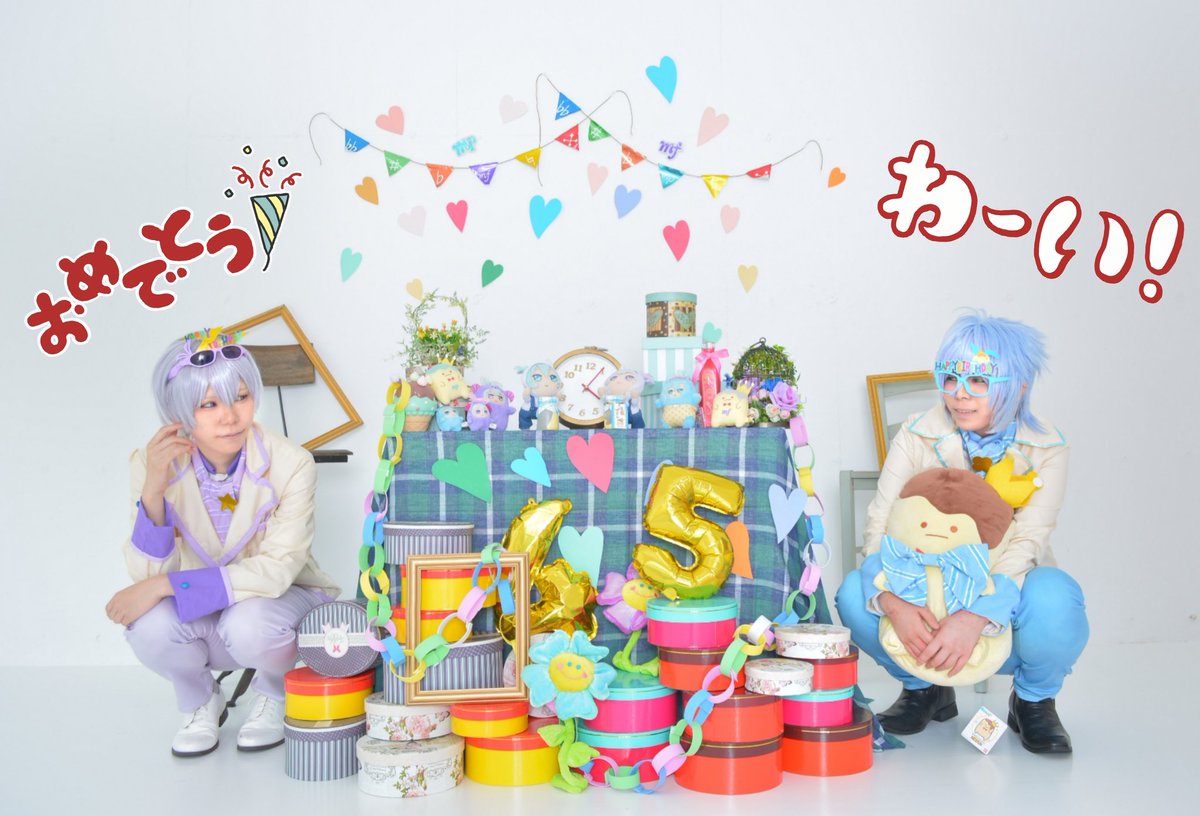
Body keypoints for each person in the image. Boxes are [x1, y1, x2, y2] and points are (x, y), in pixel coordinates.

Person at [835, 312, 1088, 754]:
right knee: (854, 594)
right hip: (922, 587)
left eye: (979, 382)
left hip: (1003, 590)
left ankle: (1033, 702)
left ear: (1019, 386)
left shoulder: (1047, 444)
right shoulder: (917, 432)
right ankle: (925, 690)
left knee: (1057, 597)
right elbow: (881, 521)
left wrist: (976, 615)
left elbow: (1030, 540)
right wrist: (894, 602)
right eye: (950, 378)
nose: (959, 394)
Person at [105, 330, 339, 757]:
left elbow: (277, 571)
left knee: (248, 623)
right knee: (149, 626)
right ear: (177, 411)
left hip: (281, 606)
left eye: (241, 397)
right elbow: (145, 577)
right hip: (211, 613)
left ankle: (274, 691)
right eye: (208, 405)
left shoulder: (292, 463)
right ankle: (200, 701)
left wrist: (166, 586)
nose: (230, 416)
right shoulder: (150, 464)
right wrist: (153, 489)